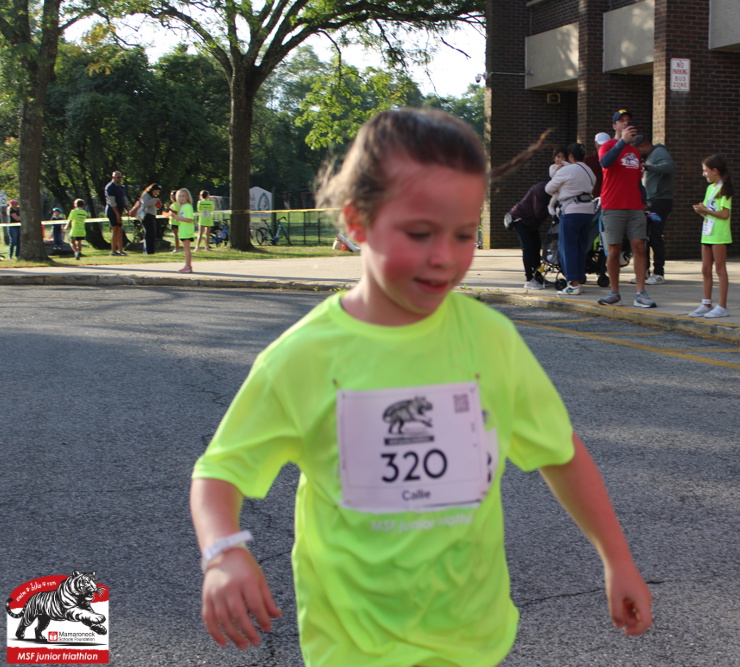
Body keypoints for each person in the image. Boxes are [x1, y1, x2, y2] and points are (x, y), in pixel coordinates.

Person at [190, 108, 652, 666]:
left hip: (472, 639)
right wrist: (223, 552)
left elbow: (560, 452)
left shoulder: (490, 340)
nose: (444, 257)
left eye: (463, 235)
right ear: (357, 222)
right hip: (353, 647)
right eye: (418, 233)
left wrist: (616, 558)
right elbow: (220, 471)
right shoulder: (304, 356)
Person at [597, 110, 655, 308]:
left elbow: (638, 181)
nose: (625, 123)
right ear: (614, 126)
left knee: (639, 246)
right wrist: (622, 142)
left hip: (634, 206)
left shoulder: (635, 152)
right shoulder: (607, 146)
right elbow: (605, 162)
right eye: (621, 121)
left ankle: (641, 292)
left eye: (628, 121)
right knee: (614, 249)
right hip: (613, 205)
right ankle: (614, 292)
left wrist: (645, 204)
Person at [546, 142, 596, 296]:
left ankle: (574, 284)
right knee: (581, 247)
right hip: (588, 211)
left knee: (568, 247)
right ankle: (579, 278)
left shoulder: (567, 170)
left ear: (571, 156)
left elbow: (548, 188)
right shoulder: (589, 170)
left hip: (571, 210)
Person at [690, 154, 733, 318]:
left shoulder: (725, 189)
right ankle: (706, 303)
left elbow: (724, 214)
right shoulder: (710, 188)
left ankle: (722, 306)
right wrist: (702, 211)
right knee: (705, 269)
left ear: (715, 171)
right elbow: (710, 212)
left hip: (719, 234)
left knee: (720, 269)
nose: (704, 174)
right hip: (707, 232)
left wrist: (705, 210)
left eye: (706, 171)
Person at [636, 135, 674, 286]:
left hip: (659, 200)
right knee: (644, 236)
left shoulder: (659, 152)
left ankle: (659, 273)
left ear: (644, 145)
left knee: (655, 235)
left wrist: (649, 167)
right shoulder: (649, 156)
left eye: (638, 149)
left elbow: (670, 166)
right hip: (649, 201)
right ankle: (644, 272)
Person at [506, 181, 550, 289]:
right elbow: (539, 213)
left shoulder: (548, 190)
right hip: (521, 219)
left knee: (536, 247)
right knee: (528, 249)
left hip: (531, 222)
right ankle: (529, 279)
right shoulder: (541, 190)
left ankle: (538, 276)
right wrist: (553, 207)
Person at [104, 170, 127, 257]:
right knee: (115, 229)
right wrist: (117, 215)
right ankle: (113, 251)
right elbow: (112, 202)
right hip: (112, 211)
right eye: (118, 177)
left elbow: (124, 200)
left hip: (119, 211)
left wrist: (127, 210)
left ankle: (121, 250)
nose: (120, 179)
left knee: (119, 230)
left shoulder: (121, 187)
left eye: (121, 177)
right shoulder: (110, 187)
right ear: (113, 177)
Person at [174, 188, 196, 273]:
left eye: (183, 196)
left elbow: (190, 219)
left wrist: (179, 218)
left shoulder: (188, 206)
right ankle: (188, 265)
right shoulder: (182, 206)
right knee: (185, 249)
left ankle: (188, 266)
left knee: (187, 249)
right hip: (183, 230)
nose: (181, 198)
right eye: (179, 196)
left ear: (187, 197)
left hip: (187, 230)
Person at [139, 184, 162, 255]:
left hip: (152, 215)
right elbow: (144, 204)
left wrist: (158, 204)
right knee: (148, 233)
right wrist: (154, 200)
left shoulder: (153, 196)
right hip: (147, 215)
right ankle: (147, 250)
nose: (157, 193)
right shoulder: (146, 195)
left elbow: (154, 206)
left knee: (152, 233)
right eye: (156, 191)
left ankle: (151, 250)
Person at [583, 133, 607, 198]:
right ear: (595, 144)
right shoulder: (589, 160)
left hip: (608, 194)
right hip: (594, 195)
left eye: (605, 144)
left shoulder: (615, 160)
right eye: (600, 144)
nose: (602, 147)